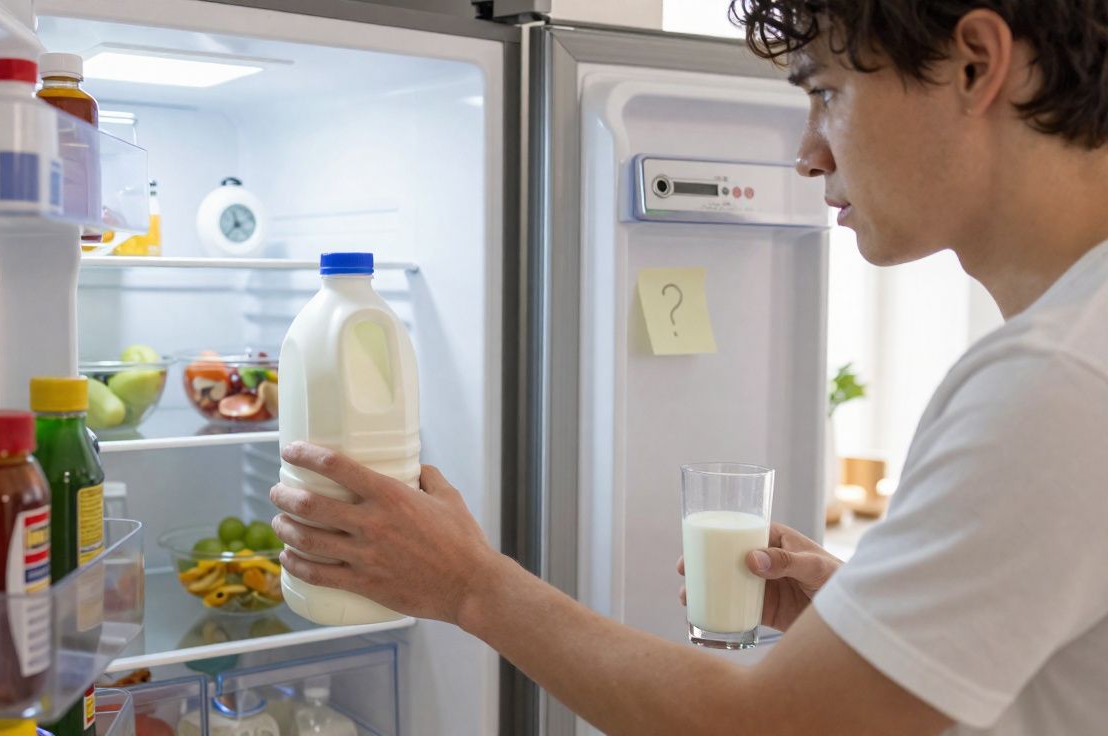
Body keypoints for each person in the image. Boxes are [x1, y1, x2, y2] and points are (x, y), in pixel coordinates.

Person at [270, 1, 1108, 733]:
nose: (809, 153)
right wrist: (871, 617)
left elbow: (768, 729)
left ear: (974, 65)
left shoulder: (1055, 379)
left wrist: (468, 586)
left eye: (825, 93)